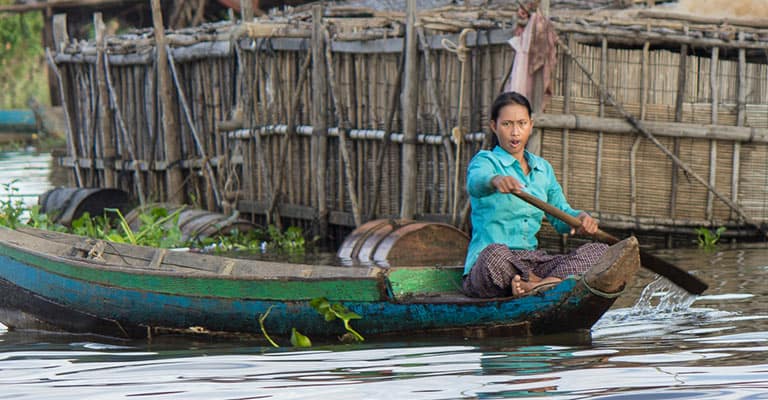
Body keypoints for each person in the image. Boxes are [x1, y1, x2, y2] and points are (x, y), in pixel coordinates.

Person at [462, 91, 608, 298]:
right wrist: (495, 180)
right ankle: (542, 284)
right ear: (494, 126)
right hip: (490, 266)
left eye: (522, 124)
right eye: (507, 124)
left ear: (530, 125)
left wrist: (581, 218)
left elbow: (561, 215)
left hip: (533, 262)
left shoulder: (542, 169)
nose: (515, 132)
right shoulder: (485, 161)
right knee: (493, 255)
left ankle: (538, 284)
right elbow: (475, 182)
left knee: (600, 252)